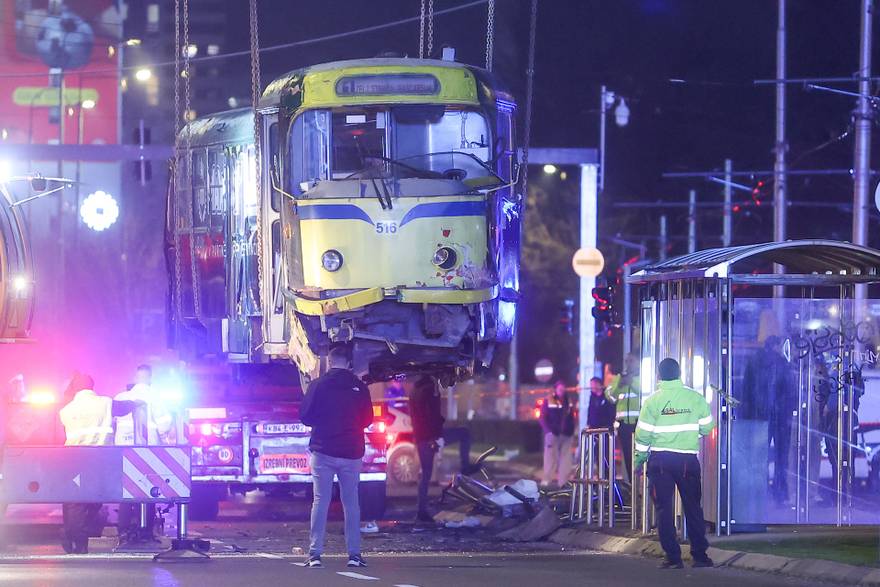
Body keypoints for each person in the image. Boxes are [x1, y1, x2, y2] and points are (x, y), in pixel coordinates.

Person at [634, 358, 714, 569]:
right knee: (693, 507)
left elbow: (642, 436)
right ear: (680, 373)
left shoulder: (652, 402)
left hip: (660, 461)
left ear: (659, 376)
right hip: (687, 460)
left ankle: (673, 557)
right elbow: (707, 427)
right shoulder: (695, 398)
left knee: (663, 509)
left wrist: (638, 460)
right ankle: (700, 556)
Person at [299, 347, 373, 569]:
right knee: (351, 503)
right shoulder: (359, 387)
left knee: (320, 501)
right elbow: (368, 419)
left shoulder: (318, 386)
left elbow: (305, 417)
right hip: (351, 452)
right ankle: (354, 555)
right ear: (349, 363)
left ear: (329, 362)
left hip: (323, 451)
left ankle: (315, 555)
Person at [58, 373, 141, 554]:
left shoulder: (66, 410)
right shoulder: (105, 403)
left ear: (75, 388)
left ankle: (74, 539)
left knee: (74, 502)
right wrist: (139, 402)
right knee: (94, 501)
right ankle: (79, 539)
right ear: (92, 387)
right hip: (99, 460)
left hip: (72, 459)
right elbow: (125, 407)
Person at [115, 364, 174, 546]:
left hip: (123, 450)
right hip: (148, 451)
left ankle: (123, 529)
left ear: (135, 377)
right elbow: (165, 424)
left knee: (126, 493)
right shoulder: (156, 397)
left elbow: (113, 422)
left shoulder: (121, 397)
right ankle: (146, 530)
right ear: (149, 378)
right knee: (148, 492)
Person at [742, 336, 795, 503]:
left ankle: (760, 491)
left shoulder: (754, 362)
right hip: (779, 416)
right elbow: (790, 390)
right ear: (776, 346)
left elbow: (747, 390)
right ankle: (779, 492)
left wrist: (748, 414)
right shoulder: (782, 363)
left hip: (761, 416)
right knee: (781, 456)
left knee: (760, 456)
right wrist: (789, 411)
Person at [409, 375, 446, 523]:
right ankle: (421, 511)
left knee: (426, 474)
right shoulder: (429, 389)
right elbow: (431, 415)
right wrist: (435, 436)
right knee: (464, 434)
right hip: (429, 437)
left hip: (421, 436)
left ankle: (421, 510)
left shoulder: (416, 389)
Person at [605, 353, 641, 480]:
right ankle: (633, 485)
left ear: (638, 361)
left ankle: (642, 487)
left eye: (631, 361)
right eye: (626, 361)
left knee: (640, 457)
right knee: (628, 456)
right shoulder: (619, 378)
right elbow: (610, 397)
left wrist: (631, 383)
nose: (628, 364)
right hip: (624, 425)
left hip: (640, 424)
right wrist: (619, 386)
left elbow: (647, 394)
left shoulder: (643, 377)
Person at [539, 380, 576, 488]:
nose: (562, 391)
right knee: (550, 459)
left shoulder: (568, 401)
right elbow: (542, 417)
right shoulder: (549, 400)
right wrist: (548, 431)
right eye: (560, 389)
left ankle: (563, 484)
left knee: (566, 460)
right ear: (555, 389)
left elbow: (572, 417)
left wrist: (571, 429)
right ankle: (546, 484)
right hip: (553, 434)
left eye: (563, 389)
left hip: (566, 434)